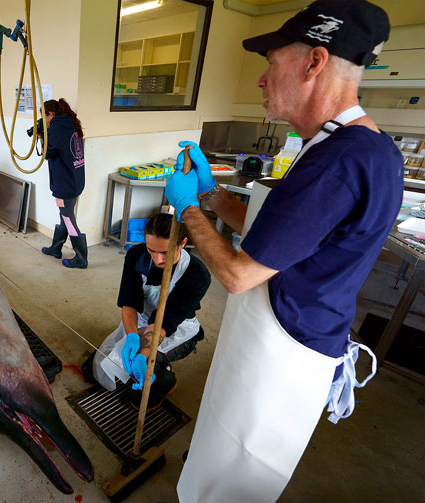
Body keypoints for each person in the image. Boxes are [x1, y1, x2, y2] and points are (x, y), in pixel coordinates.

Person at [163, 2, 403, 500]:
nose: (262, 80)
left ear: (315, 63)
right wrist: (214, 195)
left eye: (272, 63)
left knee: (238, 475)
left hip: (282, 351)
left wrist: (186, 209)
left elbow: (237, 273)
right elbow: (288, 235)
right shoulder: (356, 146)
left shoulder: (338, 162)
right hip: (295, 332)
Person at [83, 213, 210, 410]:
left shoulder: (196, 274)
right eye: (152, 250)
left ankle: (164, 379)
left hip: (175, 329)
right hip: (142, 320)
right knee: (95, 369)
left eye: (166, 252)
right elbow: (129, 303)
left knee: (145, 362)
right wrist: (132, 336)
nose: (158, 259)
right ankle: (146, 362)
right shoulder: (137, 256)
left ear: (183, 243)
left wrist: (143, 353)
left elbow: (165, 322)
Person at [39, 99, 87, 269]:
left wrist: (42, 137)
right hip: (75, 179)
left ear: (51, 115)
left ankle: (81, 257)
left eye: (43, 116)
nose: (43, 121)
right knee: (64, 214)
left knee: (67, 216)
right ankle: (56, 248)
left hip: (64, 182)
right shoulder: (71, 123)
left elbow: (48, 153)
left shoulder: (57, 128)